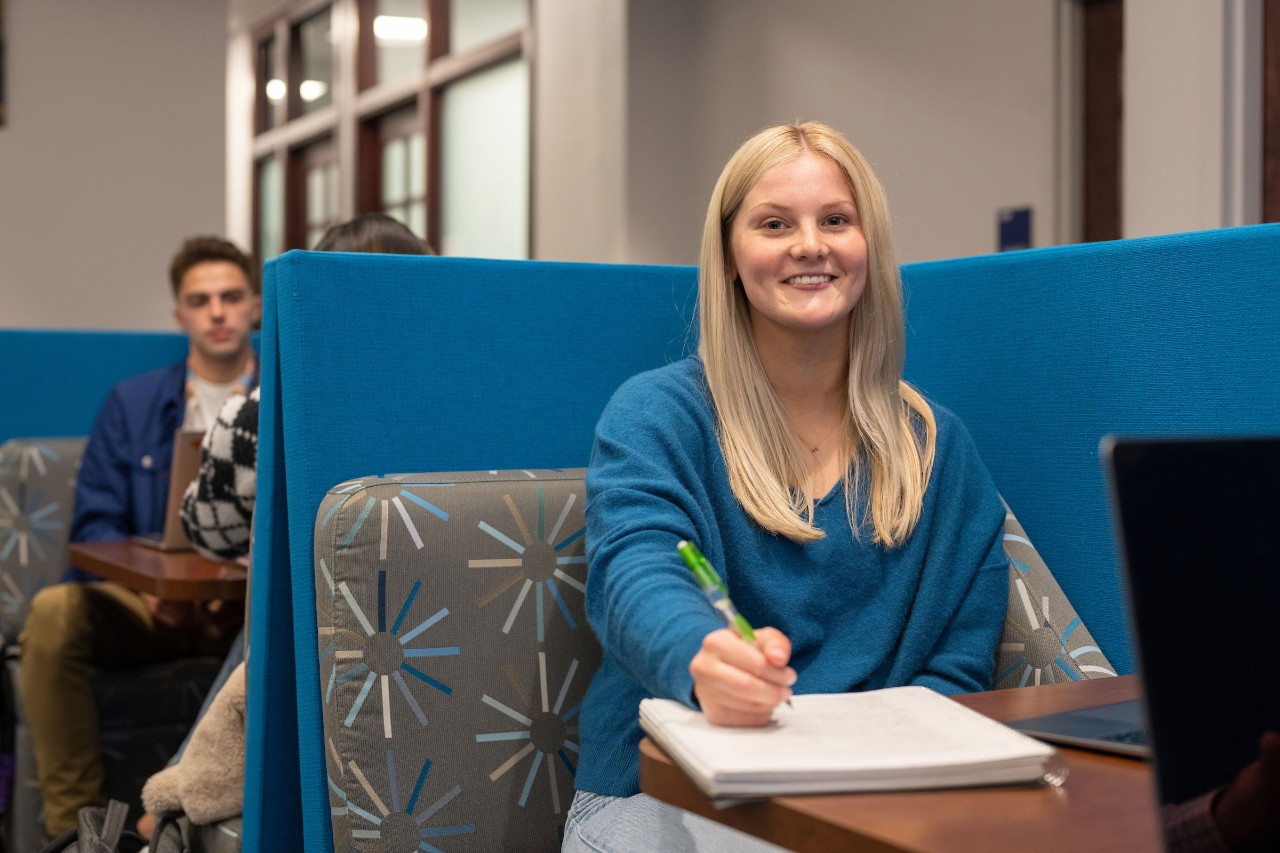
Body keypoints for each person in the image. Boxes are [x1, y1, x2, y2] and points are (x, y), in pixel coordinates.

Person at [564, 122, 1009, 852]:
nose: (810, 244)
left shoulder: (938, 446)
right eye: (774, 223)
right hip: (663, 793)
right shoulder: (657, 416)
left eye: (836, 219)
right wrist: (702, 655)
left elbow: (961, 665)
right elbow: (633, 573)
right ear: (732, 256)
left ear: (870, 246)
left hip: (872, 802)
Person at [134, 213, 430, 839]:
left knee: (284, 606)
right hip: (442, 634)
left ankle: (167, 812)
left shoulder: (259, 414)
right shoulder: (463, 395)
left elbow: (210, 532)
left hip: (315, 639)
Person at [19, 236, 260, 838]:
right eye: (200, 300)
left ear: (256, 306)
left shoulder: (281, 399)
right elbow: (94, 526)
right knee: (52, 613)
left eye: (231, 297)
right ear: (179, 315)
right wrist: (152, 589)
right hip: (148, 607)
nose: (217, 312)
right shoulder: (132, 403)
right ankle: (76, 832)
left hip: (247, 608)